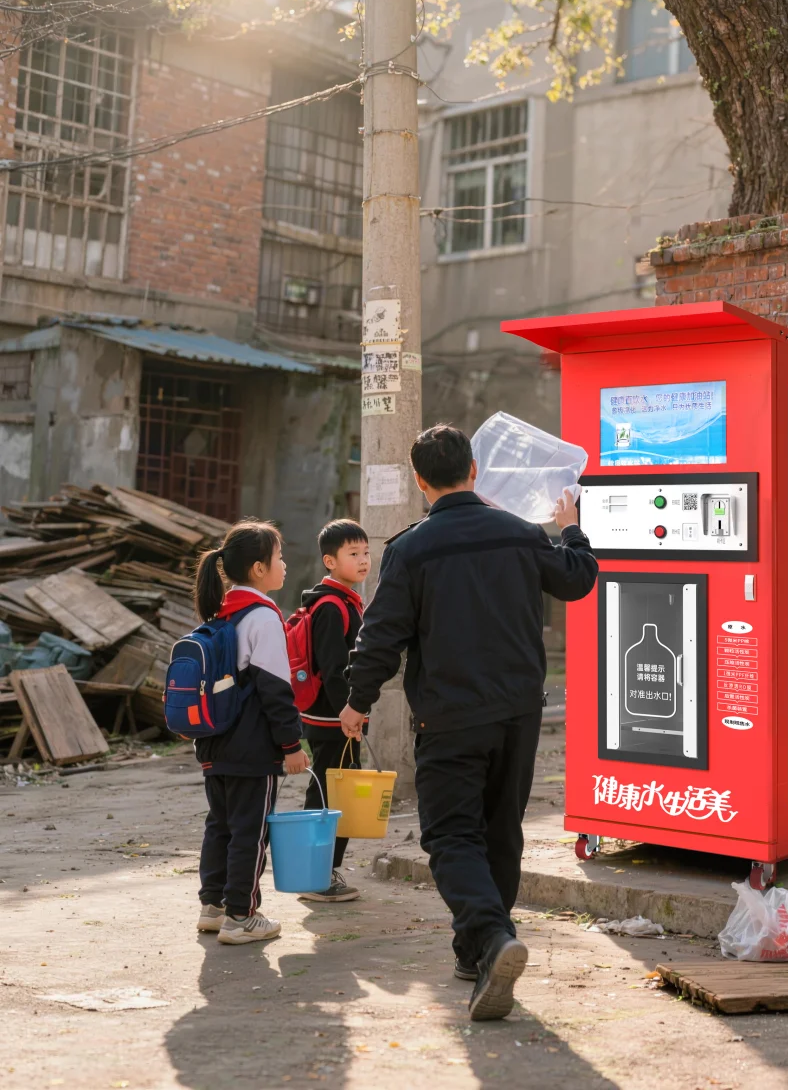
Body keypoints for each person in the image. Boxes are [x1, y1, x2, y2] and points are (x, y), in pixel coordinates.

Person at [340, 423, 597, 1021]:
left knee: (452, 837)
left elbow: (382, 635)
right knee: (501, 830)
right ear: (475, 471)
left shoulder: (412, 549)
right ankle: (475, 951)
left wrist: (359, 698)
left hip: (450, 717)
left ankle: (490, 938)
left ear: (420, 481)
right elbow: (578, 579)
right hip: (516, 713)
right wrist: (572, 529)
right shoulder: (521, 533)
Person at [193, 520, 310, 946]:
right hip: (252, 745)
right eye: (279, 558)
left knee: (220, 825)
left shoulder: (222, 610)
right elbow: (275, 690)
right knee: (251, 830)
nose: (284, 565)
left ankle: (214, 905)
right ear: (259, 569)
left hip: (214, 742)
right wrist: (292, 745)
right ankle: (242, 915)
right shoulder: (263, 615)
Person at [295, 518, 370, 904]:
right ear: (329, 560)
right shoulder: (330, 606)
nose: (363, 560)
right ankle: (317, 875)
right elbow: (334, 668)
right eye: (353, 554)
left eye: (366, 552)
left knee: (328, 794)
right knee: (328, 798)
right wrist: (350, 711)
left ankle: (321, 871)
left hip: (336, 718)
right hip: (332, 720)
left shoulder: (342, 601)